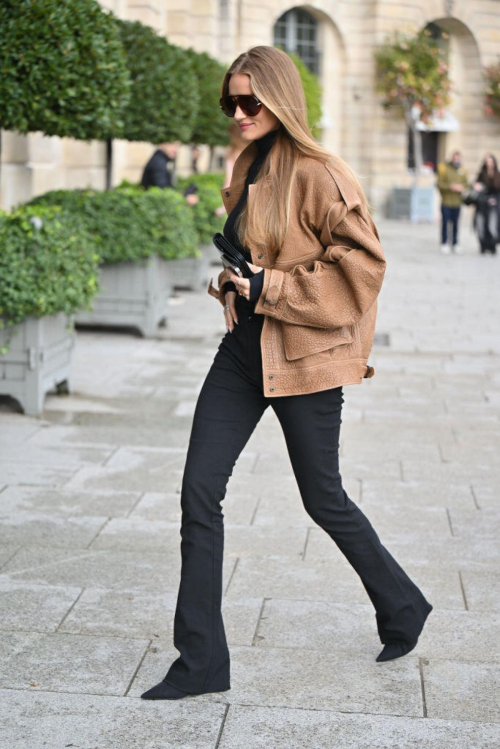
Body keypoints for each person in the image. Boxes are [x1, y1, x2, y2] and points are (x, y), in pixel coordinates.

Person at [141, 45, 433, 702]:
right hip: (246, 351)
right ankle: (201, 662)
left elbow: (361, 271)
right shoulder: (250, 166)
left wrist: (269, 285)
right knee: (198, 491)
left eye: (250, 100)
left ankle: (403, 605)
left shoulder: (324, 174)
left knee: (322, 498)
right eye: (231, 101)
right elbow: (253, 255)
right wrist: (234, 283)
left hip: (304, 358)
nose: (238, 113)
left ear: (279, 100)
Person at [140, 141, 199, 206]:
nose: (175, 150)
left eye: (177, 146)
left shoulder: (161, 160)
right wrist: (184, 198)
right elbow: (163, 191)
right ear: (162, 144)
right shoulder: (159, 163)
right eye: (172, 145)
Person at [437, 150, 468, 254]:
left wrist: (461, 187)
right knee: (445, 223)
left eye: (458, 159)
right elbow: (439, 184)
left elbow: (466, 184)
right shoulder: (445, 168)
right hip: (446, 201)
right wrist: (450, 187)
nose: (456, 160)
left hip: (457, 202)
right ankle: (444, 243)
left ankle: (455, 243)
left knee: (456, 224)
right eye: (454, 158)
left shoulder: (462, 170)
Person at [472, 153, 500, 254]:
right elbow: (475, 186)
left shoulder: (497, 174)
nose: (489, 163)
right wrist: (476, 186)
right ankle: (483, 246)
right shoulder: (481, 174)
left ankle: (492, 246)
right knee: (481, 225)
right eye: (487, 161)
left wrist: (495, 199)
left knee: (492, 226)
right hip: (482, 204)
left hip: (493, 205)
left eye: (490, 161)